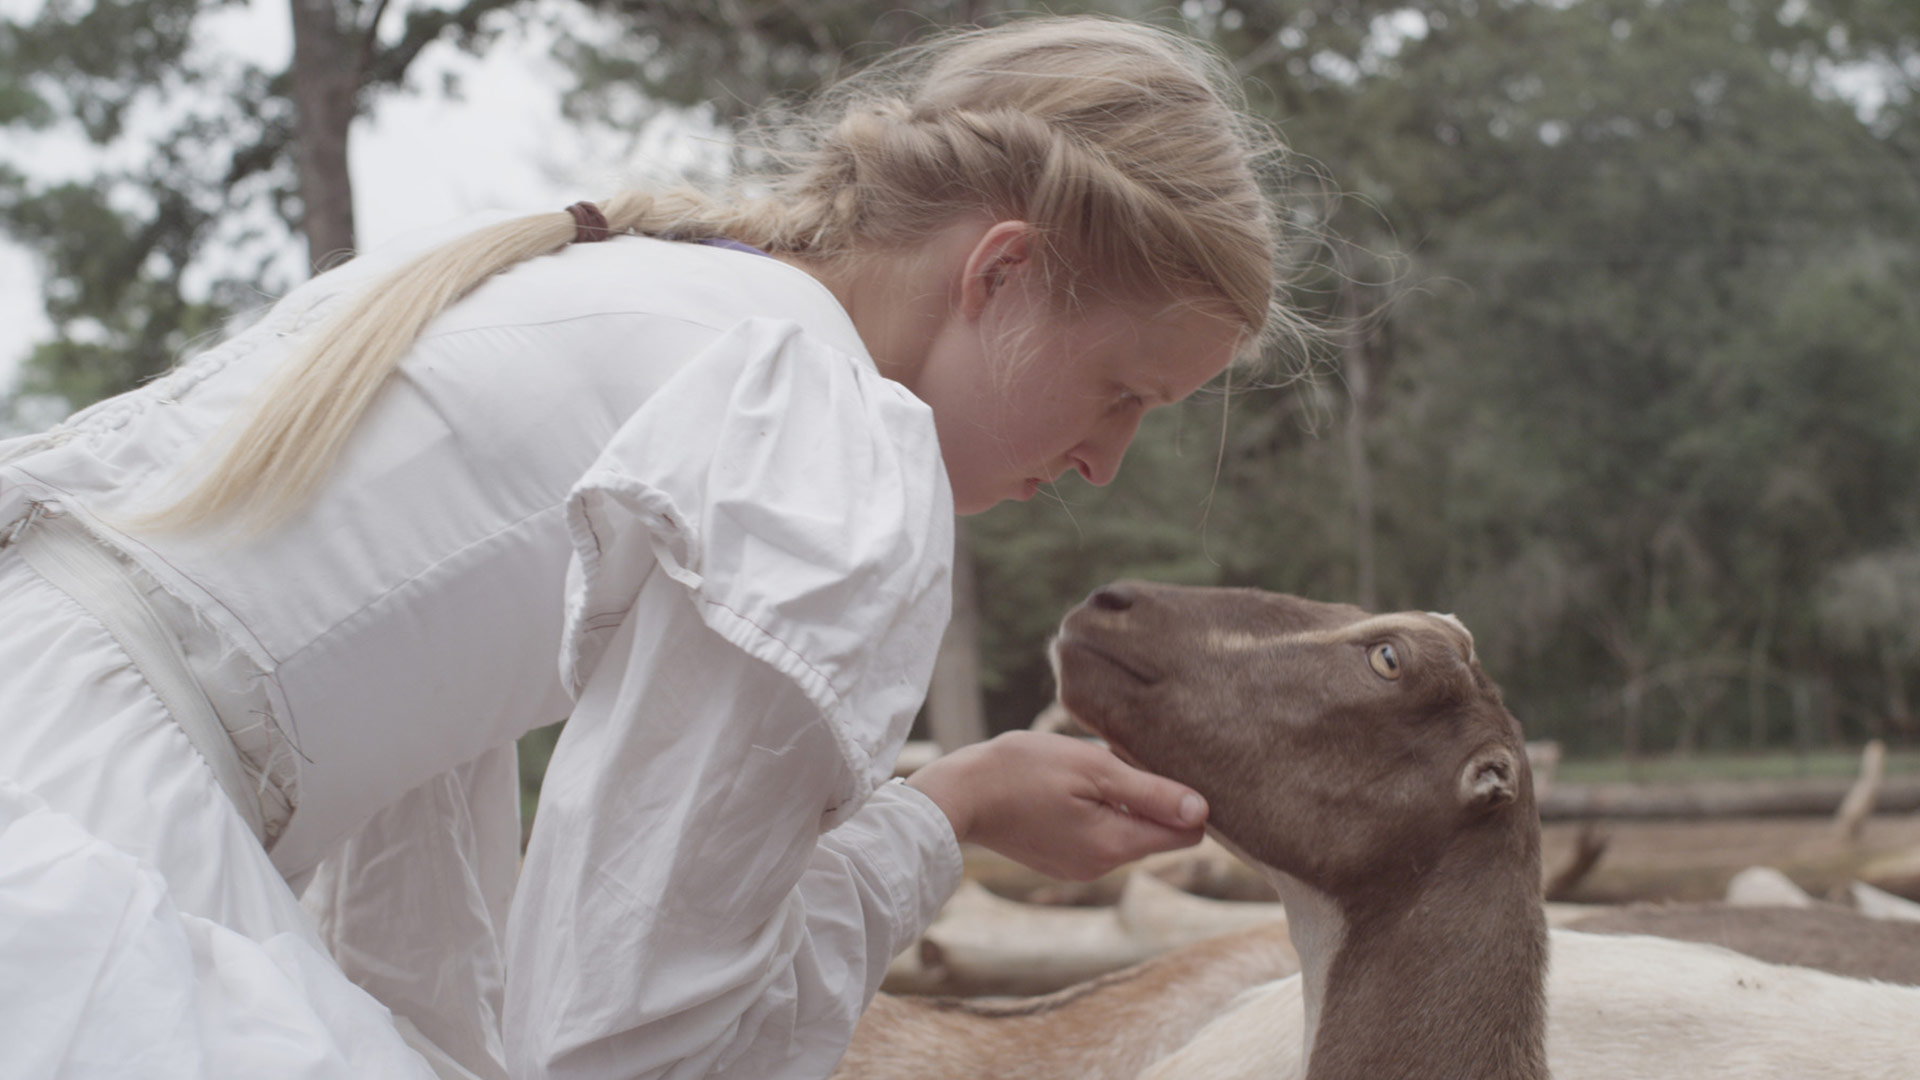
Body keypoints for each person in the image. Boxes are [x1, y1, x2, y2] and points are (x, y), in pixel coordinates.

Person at [0, 15, 1298, 1080]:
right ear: (1001, 273)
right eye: (1124, 391)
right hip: (77, 834)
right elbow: (636, 1044)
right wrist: (943, 820)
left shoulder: (636, 296)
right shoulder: (819, 431)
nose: (1103, 463)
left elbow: (413, 894)